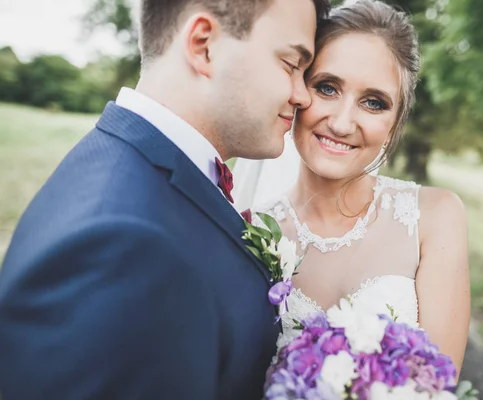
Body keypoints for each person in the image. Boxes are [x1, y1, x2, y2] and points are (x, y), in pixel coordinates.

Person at [0, 0, 329, 399]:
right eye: (291, 64)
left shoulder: (130, 162)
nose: (303, 96)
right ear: (204, 45)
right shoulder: (123, 245)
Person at [237, 0, 471, 376]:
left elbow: (440, 383)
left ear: (395, 123)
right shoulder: (252, 231)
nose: (343, 123)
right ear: (297, 91)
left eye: (374, 102)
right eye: (327, 88)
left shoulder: (435, 218)